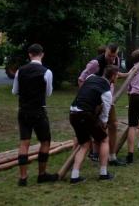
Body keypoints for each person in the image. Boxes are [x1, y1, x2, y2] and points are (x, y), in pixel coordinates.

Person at [12, 44, 58, 186]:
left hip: (23, 110)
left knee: (24, 142)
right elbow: (48, 93)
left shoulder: (20, 71)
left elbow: (15, 91)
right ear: (42, 54)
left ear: (30, 54)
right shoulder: (47, 72)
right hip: (38, 111)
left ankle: (23, 177)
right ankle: (41, 174)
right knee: (45, 141)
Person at [78, 44, 127, 166]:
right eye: (109, 55)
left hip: (108, 99)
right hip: (94, 101)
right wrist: (86, 97)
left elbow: (116, 74)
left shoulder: (116, 60)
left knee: (113, 125)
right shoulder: (95, 63)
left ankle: (112, 156)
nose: (112, 58)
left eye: (114, 56)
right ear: (105, 51)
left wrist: (129, 73)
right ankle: (91, 153)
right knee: (92, 127)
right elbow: (81, 79)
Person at [68, 66, 119, 183]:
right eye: (117, 76)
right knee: (104, 139)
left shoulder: (91, 77)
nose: (117, 78)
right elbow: (105, 114)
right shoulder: (107, 92)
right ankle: (103, 173)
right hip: (85, 114)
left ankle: (74, 176)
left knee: (85, 144)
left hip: (73, 113)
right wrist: (103, 124)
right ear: (112, 76)